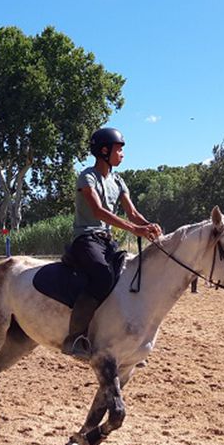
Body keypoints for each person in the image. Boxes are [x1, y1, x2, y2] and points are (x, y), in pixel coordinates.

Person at [62, 126, 162, 360]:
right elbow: (98, 211)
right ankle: (75, 337)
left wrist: (149, 226)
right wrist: (134, 229)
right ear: (104, 151)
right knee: (103, 276)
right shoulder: (87, 176)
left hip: (106, 240)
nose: (123, 154)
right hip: (86, 238)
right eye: (119, 149)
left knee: (127, 276)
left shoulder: (118, 181)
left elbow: (133, 212)